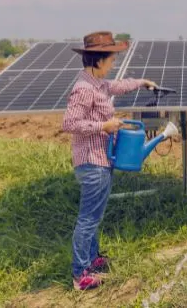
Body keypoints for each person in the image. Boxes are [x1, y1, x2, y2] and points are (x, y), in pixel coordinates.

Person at [62, 31, 157, 291]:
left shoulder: (98, 83)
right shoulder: (83, 88)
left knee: (95, 215)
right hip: (91, 162)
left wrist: (141, 82)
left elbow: (118, 86)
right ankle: (80, 274)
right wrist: (103, 126)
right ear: (98, 60)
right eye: (111, 59)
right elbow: (69, 123)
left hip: (102, 160)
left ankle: (92, 260)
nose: (113, 63)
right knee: (88, 219)